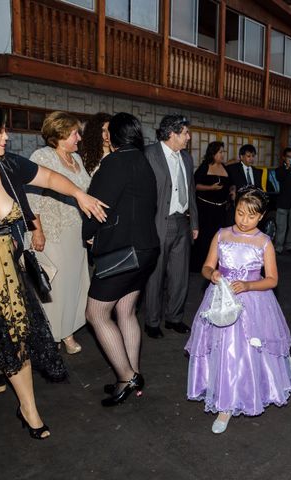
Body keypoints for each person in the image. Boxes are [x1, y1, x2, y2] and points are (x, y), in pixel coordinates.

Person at [0, 98, 106, 438]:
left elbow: (48, 178)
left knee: (17, 340)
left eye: (5, 129)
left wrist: (79, 194)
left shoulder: (7, 166)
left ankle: (29, 409)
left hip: (5, 272)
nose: (7, 136)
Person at [185, 186, 291, 434]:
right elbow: (206, 266)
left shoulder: (264, 242)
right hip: (221, 299)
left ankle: (251, 390)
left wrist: (248, 285)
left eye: (251, 216)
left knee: (248, 351)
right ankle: (224, 403)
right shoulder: (222, 235)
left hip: (253, 301)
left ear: (262, 216)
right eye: (240, 213)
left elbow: (272, 280)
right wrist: (211, 273)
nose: (244, 220)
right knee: (223, 350)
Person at [83, 112, 160, 407]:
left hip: (121, 253)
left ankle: (127, 377)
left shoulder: (114, 163)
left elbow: (96, 207)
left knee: (96, 314)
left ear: (112, 136)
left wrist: (88, 233)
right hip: (146, 250)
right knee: (126, 312)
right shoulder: (143, 161)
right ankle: (132, 375)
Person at [26, 111, 91, 354]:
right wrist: (37, 231)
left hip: (75, 231)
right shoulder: (42, 156)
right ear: (60, 134)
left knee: (75, 285)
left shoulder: (77, 159)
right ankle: (50, 337)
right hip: (51, 232)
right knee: (54, 288)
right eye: (75, 133)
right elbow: (32, 197)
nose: (79, 138)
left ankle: (68, 332)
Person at [143, 114, 198, 339]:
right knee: (155, 276)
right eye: (185, 133)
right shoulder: (149, 154)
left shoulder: (186, 158)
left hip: (182, 222)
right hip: (157, 223)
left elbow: (191, 191)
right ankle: (152, 322)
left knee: (179, 275)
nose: (188, 137)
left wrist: (194, 222)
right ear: (172, 134)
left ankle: (174, 318)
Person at [191, 141, 232, 273]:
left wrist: (232, 190)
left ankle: (216, 264)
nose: (222, 154)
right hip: (205, 209)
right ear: (213, 153)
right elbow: (194, 185)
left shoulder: (225, 167)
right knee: (205, 238)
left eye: (223, 152)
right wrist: (211, 188)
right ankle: (200, 265)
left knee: (219, 238)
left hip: (221, 209)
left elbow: (231, 183)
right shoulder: (205, 167)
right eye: (220, 152)